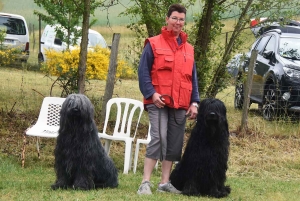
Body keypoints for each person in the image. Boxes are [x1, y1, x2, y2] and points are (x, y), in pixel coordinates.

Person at [137, 3, 200, 195]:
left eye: (181, 19)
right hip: (158, 101)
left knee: (174, 141)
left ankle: (164, 183)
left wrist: (194, 102)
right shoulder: (154, 43)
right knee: (159, 137)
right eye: (174, 18)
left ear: (184, 22)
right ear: (167, 19)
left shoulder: (189, 48)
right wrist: (152, 94)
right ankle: (145, 182)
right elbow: (143, 72)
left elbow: (193, 77)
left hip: (181, 103)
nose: (178, 22)